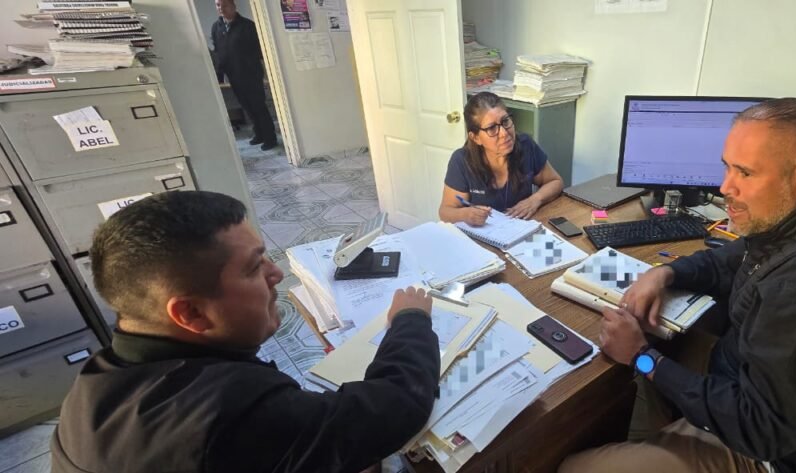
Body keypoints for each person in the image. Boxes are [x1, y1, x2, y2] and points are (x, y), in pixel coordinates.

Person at [561, 98, 796, 473]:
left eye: (744, 173)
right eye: (727, 167)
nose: (725, 186)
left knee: (575, 468)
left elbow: (761, 430)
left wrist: (643, 357)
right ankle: (662, 439)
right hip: (750, 378)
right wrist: (664, 274)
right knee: (658, 345)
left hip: (788, 456)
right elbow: (733, 258)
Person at [51, 191, 440, 473]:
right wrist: (410, 321)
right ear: (190, 312)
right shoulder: (232, 411)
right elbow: (396, 408)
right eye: (254, 268)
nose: (276, 274)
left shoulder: (91, 386)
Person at [439, 92, 564, 226]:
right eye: (492, 128)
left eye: (505, 121)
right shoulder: (461, 161)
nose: (504, 133)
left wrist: (535, 200)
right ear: (476, 138)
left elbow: (555, 181)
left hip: (522, 228)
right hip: (483, 233)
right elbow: (445, 212)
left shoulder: (526, 146)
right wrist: (465, 214)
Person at [211, 0, 279, 150]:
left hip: (251, 74)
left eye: (224, 5)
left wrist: (248, 64)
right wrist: (219, 74)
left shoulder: (247, 26)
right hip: (233, 75)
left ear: (233, 6)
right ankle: (259, 134)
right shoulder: (216, 27)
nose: (221, 8)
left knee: (258, 106)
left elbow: (260, 50)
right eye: (218, 5)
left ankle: (270, 138)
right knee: (247, 107)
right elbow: (218, 51)